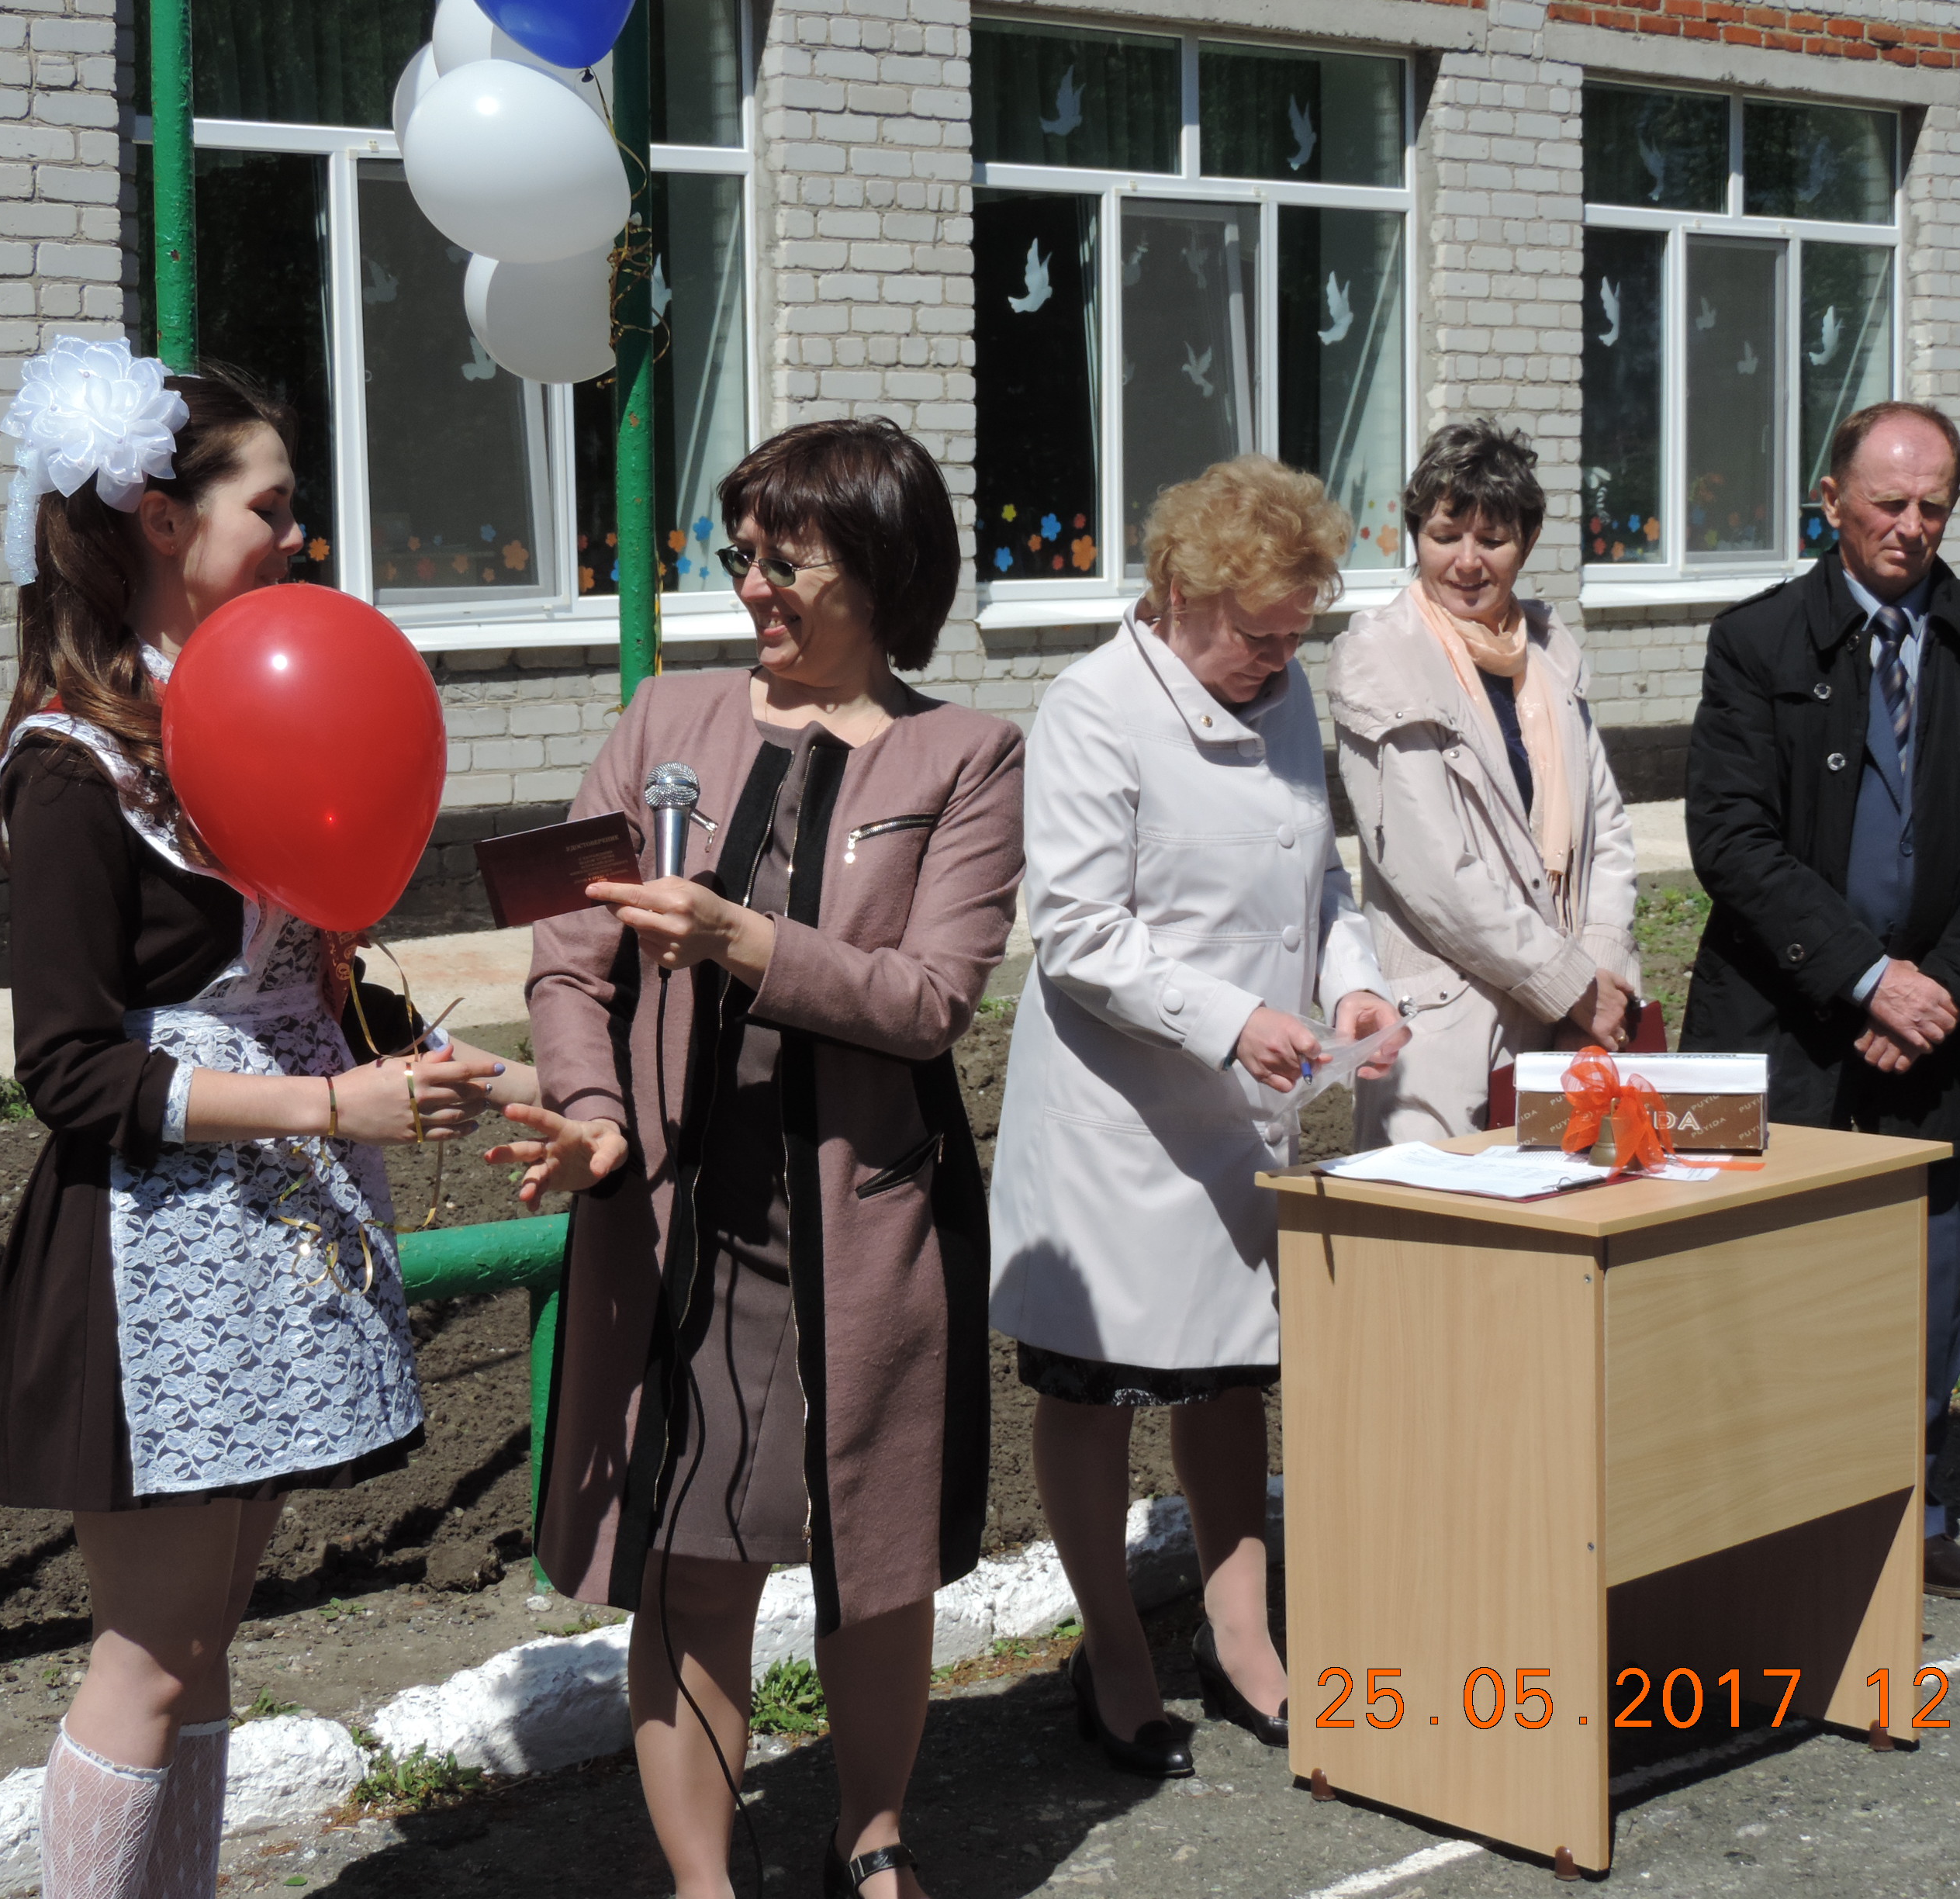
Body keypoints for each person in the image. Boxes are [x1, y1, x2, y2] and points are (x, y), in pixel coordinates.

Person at [0, 339, 544, 1899]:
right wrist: (333, 1102)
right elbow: (67, 1070)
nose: (298, 535)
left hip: (268, 1236)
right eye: (271, 506)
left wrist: (500, 1078)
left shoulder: (243, 715)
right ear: (163, 519)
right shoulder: (75, 764)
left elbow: (316, 974)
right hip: (148, 1256)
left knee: (208, 1646)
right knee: (150, 1655)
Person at [491, 418, 1024, 1899]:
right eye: (739, 556)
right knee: (691, 1551)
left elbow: (928, 1000)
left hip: (862, 1223)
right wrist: (592, 1109)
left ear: (880, 569)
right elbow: (567, 959)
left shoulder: (965, 754)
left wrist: (740, 937)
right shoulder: (663, 718)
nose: (752, 588)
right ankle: (701, 1880)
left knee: (874, 1559)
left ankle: (872, 1834)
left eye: (785, 560)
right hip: (683, 1220)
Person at [988, 456, 1400, 1780]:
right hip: (1118, 1121)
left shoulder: (1282, 696)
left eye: (1296, 636)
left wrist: (1354, 983)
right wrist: (1230, 1019)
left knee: (1229, 1376)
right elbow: (1076, 932)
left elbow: (1318, 881)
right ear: (1177, 591)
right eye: (1257, 634)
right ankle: (1112, 1648)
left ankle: (1242, 1636)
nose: (1278, 661)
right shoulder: (1091, 708)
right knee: (1097, 1386)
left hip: (1243, 1108)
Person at [1682, 399, 1960, 1602]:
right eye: (1888, 502)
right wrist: (1865, 977)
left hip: (1940, 1036)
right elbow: (1731, 836)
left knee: (1925, 1286)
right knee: (1761, 1282)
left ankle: (1914, 1511)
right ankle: (1752, 1524)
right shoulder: (1757, 642)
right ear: (1832, 500)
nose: (1911, 526)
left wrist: (1938, 994)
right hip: (1783, 1020)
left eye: (1933, 506)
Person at [1326, 420, 1641, 1146]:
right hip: (1448, 1024)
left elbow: (1606, 831)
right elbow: (1435, 872)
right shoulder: (1381, 657)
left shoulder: (1550, 649)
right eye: (1445, 536)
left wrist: (1598, 976)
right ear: (1417, 535)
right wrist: (1571, 984)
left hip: (1571, 1030)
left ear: (1526, 543)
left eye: (1492, 540)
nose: (1467, 563)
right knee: (1444, 1217)